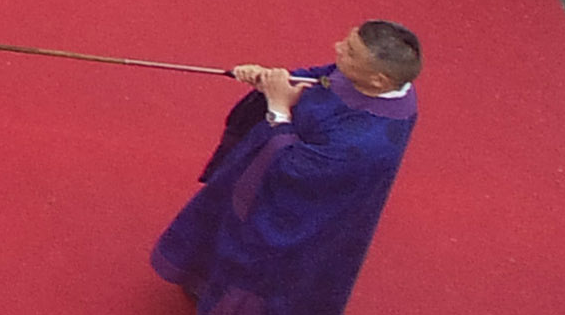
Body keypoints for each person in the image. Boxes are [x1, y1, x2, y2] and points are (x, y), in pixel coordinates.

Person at [147, 23, 421, 315]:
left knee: (257, 263)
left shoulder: (369, 140)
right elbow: (320, 78)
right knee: (224, 226)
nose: (338, 48)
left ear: (379, 80)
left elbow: (295, 169)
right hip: (261, 173)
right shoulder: (367, 77)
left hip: (296, 211)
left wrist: (278, 108)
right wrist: (272, 80)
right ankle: (204, 281)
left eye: (350, 51)